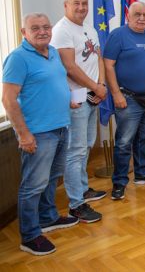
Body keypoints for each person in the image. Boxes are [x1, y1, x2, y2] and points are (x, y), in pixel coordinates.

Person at [2, 13, 79, 256]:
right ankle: (30, 236)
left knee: (52, 177)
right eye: (35, 28)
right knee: (32, 186)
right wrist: (24, 134)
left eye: (46, 27)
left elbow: (53, 83)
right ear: (23, 32)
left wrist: (68, 100)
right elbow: (8, 99)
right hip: (38, 133)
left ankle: (48, 217)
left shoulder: (53, 52)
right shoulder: (17, 58)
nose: (42, 31)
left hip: (61, 126)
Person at [50, 0, 107, 224]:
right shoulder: (61, 30)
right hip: (75, 99)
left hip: (93, 94)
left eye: (84, 3)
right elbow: (69, 67)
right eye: (76, 3)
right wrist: (95, 86)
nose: (81, 7)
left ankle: (83, 189)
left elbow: (98, 58)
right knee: (75, 151)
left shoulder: (89, 28)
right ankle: (76, 205)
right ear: (66, 5)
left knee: (86, 146)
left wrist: (101, 85)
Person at [103, 1, 145, 200]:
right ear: (128, 15)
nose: (142, 18)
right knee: (124, 142)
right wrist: (115, 94)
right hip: (128, 98)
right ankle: (119, 182)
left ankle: (142, 173)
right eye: (137, 14)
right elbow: (108, 65)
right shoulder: (117, 35)